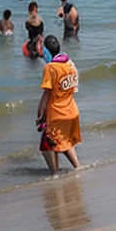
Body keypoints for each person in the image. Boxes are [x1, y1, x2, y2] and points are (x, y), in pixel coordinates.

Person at [36, 34, 81, 175]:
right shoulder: (70, 64)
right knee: (65, 141)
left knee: (46, 146)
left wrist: (40, 115)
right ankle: (78, 167)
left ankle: (54, 174)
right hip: (72, 110)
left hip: (57, 113)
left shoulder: (51, 68)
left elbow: (46, 95)